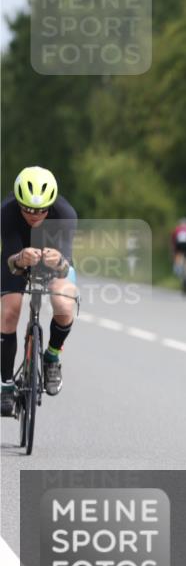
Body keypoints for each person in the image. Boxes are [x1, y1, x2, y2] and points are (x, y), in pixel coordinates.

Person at [1, 167, 78, 416]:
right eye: (28, 210)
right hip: (17, 259)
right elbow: (10, 261)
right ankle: (5, 384)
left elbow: (66, 266)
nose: (34, 216)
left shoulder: (65, 214)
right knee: (9, 312)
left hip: (54, 263)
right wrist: (21, 258)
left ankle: (52, 357)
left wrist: (58, 262)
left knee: (64, 304)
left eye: (41, 211)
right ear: (18, 203)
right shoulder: (7, 212)